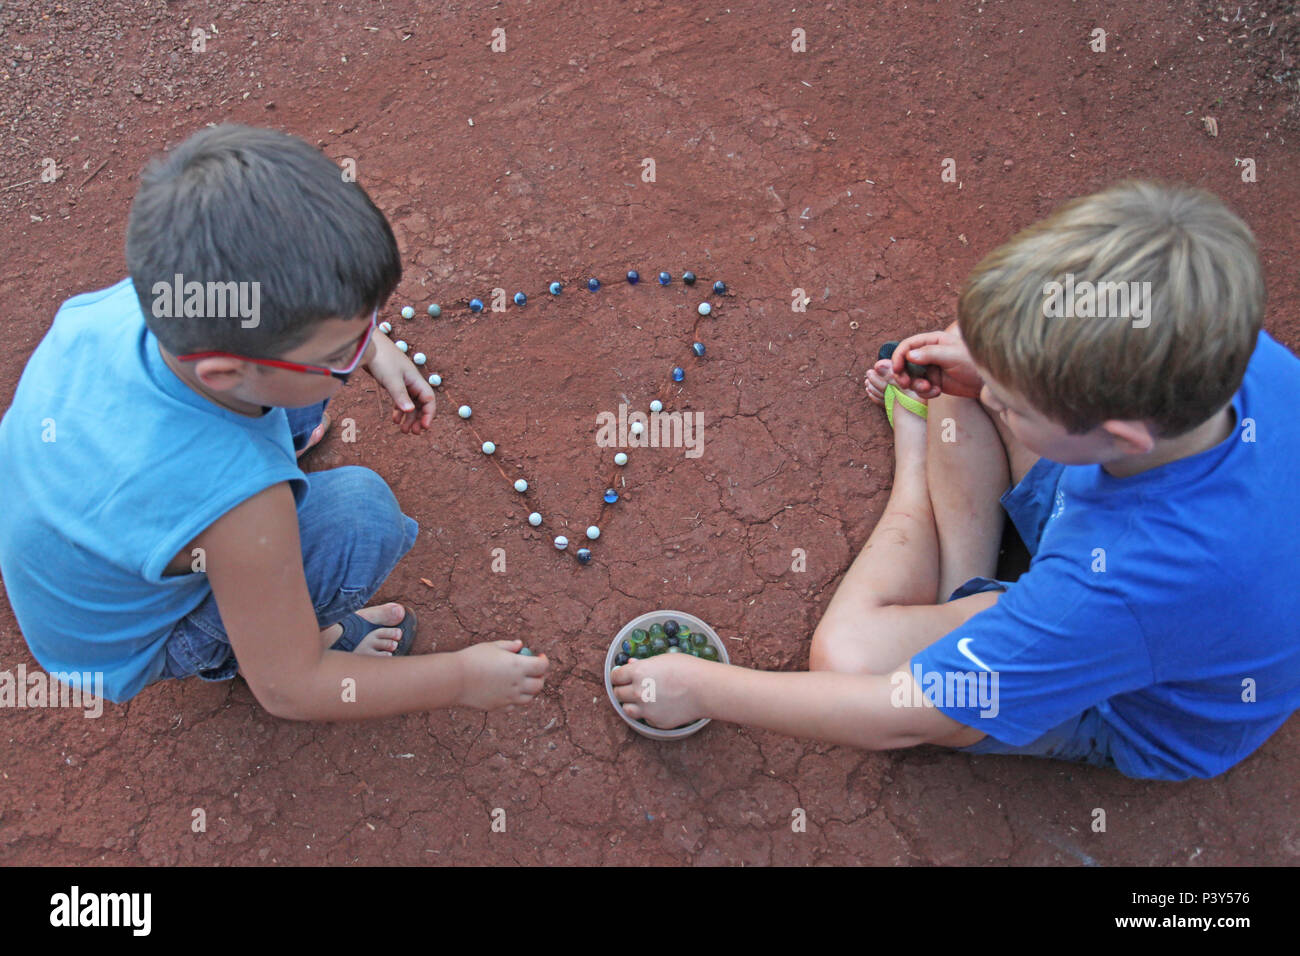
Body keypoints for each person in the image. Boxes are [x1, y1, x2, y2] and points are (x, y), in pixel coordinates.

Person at [613, 180, 1300, 780]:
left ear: (1119, 436)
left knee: (851, 661)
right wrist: (990, 368)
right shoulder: (1236, 358)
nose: (993, 397)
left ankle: (924, 492)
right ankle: (964, 596)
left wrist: (703, 688)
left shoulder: (1120, 589)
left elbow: (898, 715)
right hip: (1125, 554)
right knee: (955, 357)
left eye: (1014, 404)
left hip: (1119, 681)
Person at [0, 124, 548, 717]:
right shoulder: (239, 505)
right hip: (139, 638)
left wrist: (364, 346)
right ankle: (221, 653)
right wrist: (462, 678)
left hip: (93, 528)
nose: (366, 348)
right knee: (362, 516)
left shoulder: (144, 306)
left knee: (295, 388)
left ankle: (295, 414)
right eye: (342, 348)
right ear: (223, 371)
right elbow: (290, 688)